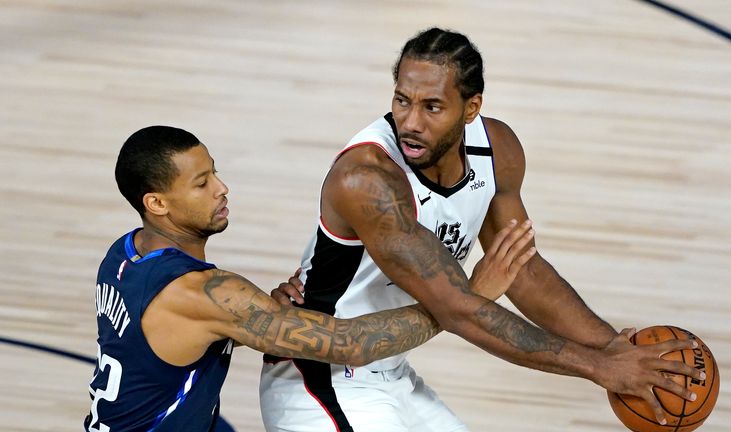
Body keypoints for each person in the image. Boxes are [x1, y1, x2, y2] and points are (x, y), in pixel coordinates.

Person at [261, 27, 705, 432]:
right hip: (320, 376)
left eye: (432, 106)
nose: (411, 122)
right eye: (402, 100)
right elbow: (461, 309)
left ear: (471, 108)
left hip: (391, 368)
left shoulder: (498, 150)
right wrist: (597, 366)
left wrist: (611, 345)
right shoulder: (368, 179)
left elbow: (523, 271)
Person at [85, 125, 535, 432]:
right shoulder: (202, 293)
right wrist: (465, 300)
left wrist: (252, 317)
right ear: (157, 203)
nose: (222, 188)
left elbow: (169, 339)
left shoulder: (123, 255)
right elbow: (350, 344)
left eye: (215, 172)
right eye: (201, 184)